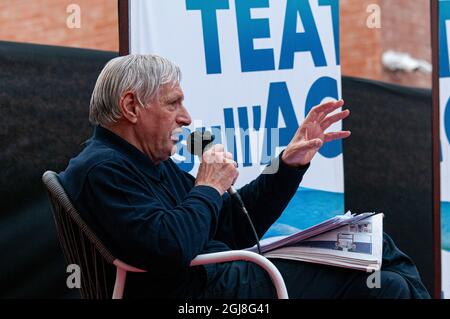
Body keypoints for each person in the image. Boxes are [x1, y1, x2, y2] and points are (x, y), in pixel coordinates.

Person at [59, 54, 430, 299]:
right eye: (173, 103)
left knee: (378, 250)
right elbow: (169, 248)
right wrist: (207, 185)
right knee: (383, 287)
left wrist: (286, 164)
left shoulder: (143, 162)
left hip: (228, 277)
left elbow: (232, 224)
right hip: (212, 295)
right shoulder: (102, 169)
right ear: (130, 106)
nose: (186, 117)